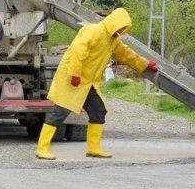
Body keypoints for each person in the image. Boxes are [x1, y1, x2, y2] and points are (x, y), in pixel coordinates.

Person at [36, 8, 157, 160]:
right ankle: (42, 149)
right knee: (59, 113)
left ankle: (94, 148)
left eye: (124, 29)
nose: (122, 30)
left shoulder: (113, 40)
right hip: (73, 79)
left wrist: (145, 65)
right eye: (121, 27)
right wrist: (74, 74)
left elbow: (127, 54)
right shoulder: (94, 30)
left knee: (98, 110)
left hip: (88, 83)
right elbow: (77, 51)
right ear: (114, 23)